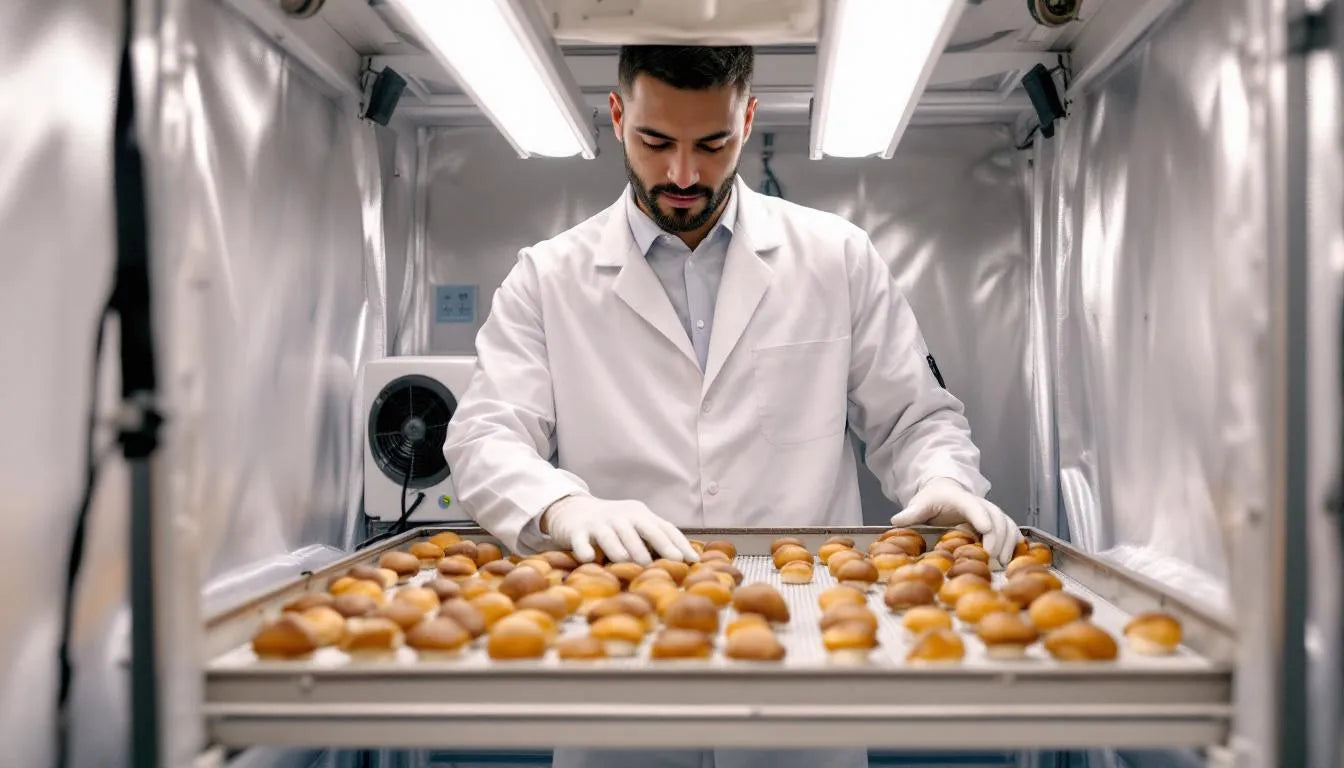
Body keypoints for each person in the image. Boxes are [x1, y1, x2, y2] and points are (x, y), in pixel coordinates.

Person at [443, 46, 1022, 768]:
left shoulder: (836, 257)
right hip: (623, 668)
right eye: (656, 142)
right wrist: (563, 507)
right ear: (618, 117)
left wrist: (944, 480)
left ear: (748, 121)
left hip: (803, 656)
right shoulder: (547, 277)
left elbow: (916, 417)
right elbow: (484, 435)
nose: (683, 175)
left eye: (711, 144)